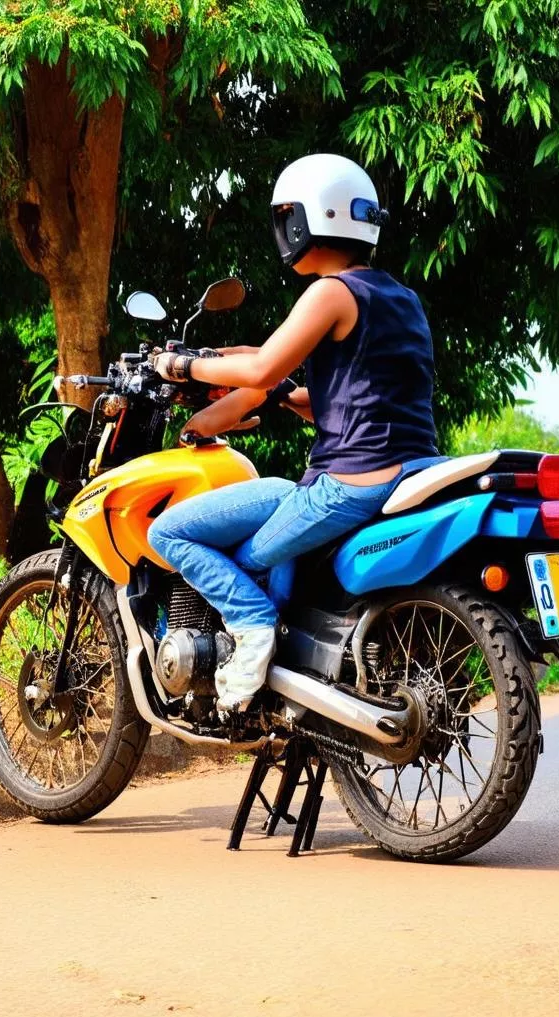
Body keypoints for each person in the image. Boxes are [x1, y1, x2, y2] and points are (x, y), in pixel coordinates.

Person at [147, 153, 440, 713]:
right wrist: (284, 396)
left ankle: (253, 627)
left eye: (287, 217)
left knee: (172, 535)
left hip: (348, 485)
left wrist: (182, 367)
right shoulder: (400, 297)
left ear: (310, 219)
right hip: (402, 472)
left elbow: (259, 370)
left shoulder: (331, 292)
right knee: (278, 516)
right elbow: (352, 399)